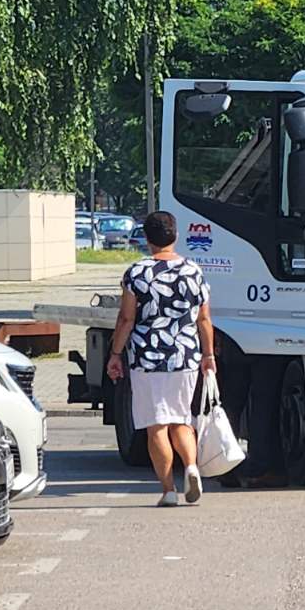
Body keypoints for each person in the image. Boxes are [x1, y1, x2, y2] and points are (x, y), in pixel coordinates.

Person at [108, 211, 214, 507]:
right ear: (175, 236)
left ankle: (168, 490)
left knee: (157, 425)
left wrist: (115, 353)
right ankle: (191, 466)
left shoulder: (137, 273)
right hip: (185, 355)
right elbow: (204, 319)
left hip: (148, 357)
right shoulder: (194, 271)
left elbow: (127, 318)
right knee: (181, 419)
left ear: (146, 239)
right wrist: (208, 354)